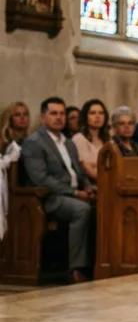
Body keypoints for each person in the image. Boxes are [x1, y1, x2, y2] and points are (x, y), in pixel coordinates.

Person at [22, 97, 96, 283]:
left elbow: (79, 173)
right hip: (50, 197)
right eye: (54, 113)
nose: (59, 117)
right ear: (42, 117)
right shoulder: (35, 142)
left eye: (62, 113)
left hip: (74, 193)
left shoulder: (68, 142)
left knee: (104, 205)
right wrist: (74, 193)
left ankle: (100, 265)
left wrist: (88, 187)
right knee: (82, 210)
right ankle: (75, 269)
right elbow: (41, 179)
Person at [71, 99, 111, 181]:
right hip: (90, 183)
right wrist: (106, 181)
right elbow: (85, 168)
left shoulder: (108, 139)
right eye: (92, 113)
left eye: (101, 113)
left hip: (109, 180)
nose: (97, 116)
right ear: (85, 117)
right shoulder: (79, 138)